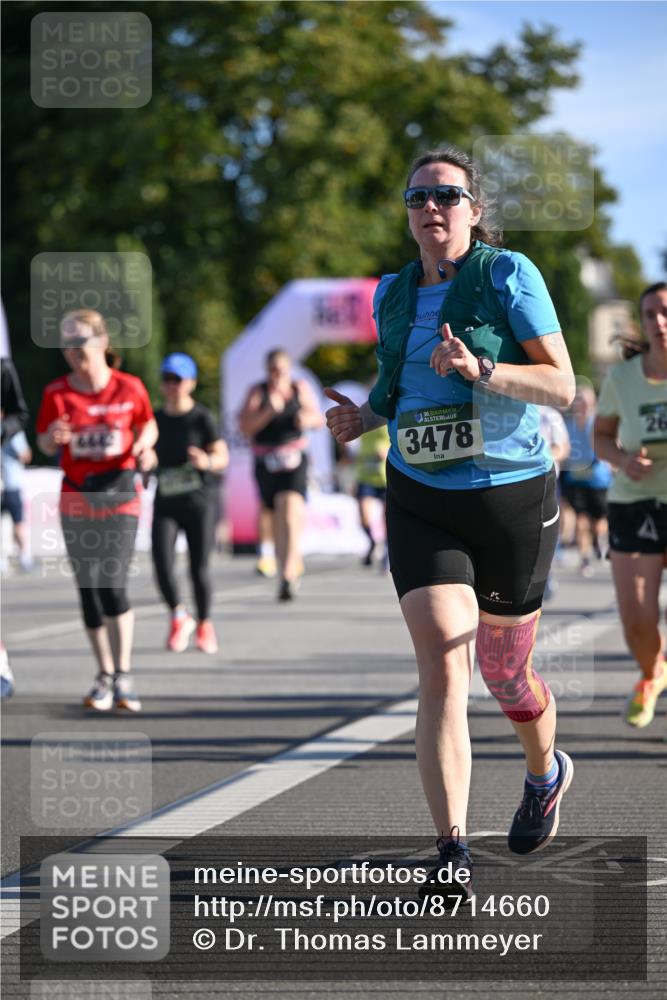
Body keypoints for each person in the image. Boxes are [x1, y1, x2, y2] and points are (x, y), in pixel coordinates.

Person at [325, 145, 576, 902]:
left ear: (473, 209)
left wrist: (482, 372)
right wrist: (362, 417)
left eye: (446, 195)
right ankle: (451, 849)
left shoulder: (508, 274)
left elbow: (562, 386)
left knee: (504, 673)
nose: (430, 208)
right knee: (441, 659)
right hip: (419, 495)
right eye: (417, 197)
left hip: (509, 496)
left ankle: (542, 773)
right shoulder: (391, 293)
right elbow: (397, 392)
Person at [36, 309, 157, 712]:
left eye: (80, 341)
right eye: (66, 343)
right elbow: (45, 444)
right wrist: (53, 437)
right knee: (88, 591)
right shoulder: (57, 392)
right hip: (76, 496)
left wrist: (143, 444)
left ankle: (124, 674)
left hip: (120, 494)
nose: (72, 350)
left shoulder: (129, 387)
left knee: (112, 584)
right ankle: (104, 674)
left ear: (103, 342)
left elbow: (148, 423)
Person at [594, 282, 667, 728]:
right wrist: (622, 460)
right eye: (650, 314)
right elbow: (600, 436)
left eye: (666, 312)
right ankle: (651, 672)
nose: (659, 322)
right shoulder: (623, 378)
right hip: (635, 500)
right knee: (636, 615)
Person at [144, 353, 229, 654]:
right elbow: (149, 452)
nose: (171, 386)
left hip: (199, 501)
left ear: (190, 383)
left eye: (177, 380)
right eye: (166, 379)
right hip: (166, 499)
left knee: (198, 568)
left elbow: (222, 457)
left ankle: (204, 624)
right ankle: (179, 615)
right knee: (162, 565)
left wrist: (206, 460)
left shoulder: (202, 417)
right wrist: (146, 463)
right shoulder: (155, 419)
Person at [239, 348, 324, 601]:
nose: (277, 375)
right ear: (267, 371)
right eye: (272, 371)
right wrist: (268, 411)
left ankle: (287, 575)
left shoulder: (300, 388)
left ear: (289, 370)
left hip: (294, 459)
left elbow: (317, 418)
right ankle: (286, 562)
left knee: (289, 506)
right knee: (275, 514)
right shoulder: (258, 392)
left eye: (281, 370)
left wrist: (304, 419)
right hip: (266, 461)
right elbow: (245, 427)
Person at [560, 386, 612, 576]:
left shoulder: (599, 422)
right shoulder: (568, 423)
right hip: (576, 478)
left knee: (598, 520)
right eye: (578, 400)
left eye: (584, 400)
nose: (580, 404)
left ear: (592, 403)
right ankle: (585, 558)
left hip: (598, 479)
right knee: (581, 518)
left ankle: (601, 541)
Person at [353, 423, 390, 568]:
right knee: (364, 516)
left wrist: (387, 450)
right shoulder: (363, 414)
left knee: (387, 518)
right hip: (365, 476)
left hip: (386, 476)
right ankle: (373, 542)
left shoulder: (388, 413)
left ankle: (387, 553)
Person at [1, 426, 33, 571]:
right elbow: (25, 456)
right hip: (9, 484)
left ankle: (24, 557)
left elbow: (25, 455)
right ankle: (17, 558)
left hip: (11, 484)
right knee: (18, 522)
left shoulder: (13, 432)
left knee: (18, 522)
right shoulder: (14, 431)